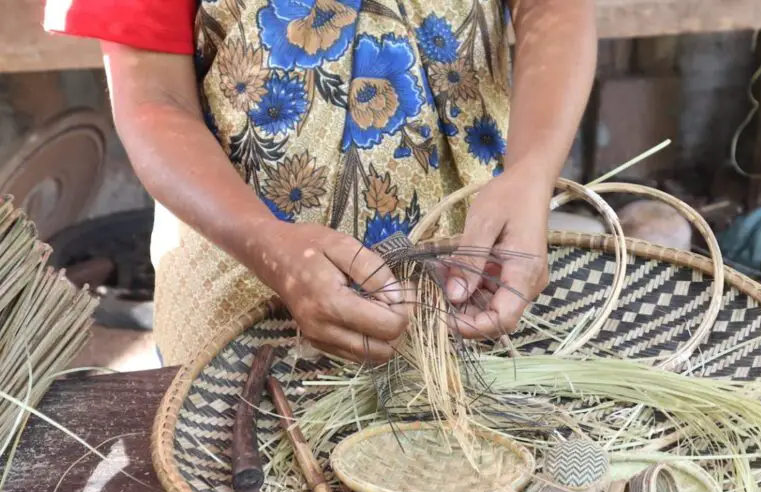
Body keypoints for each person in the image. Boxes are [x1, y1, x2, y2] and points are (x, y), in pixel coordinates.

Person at [44, 0, 596, 366]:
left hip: (470, 279)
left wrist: (531, 172)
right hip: (239, 283)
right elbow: (153, 98)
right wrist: (266, 242)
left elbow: (553, 9)